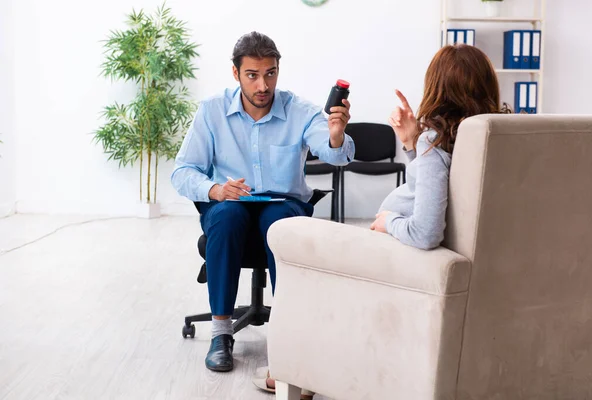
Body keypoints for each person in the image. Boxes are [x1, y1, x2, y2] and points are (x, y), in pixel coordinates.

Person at [171, 31, 355, 373]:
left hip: (283, 205)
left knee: (278, 221)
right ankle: (221, 333)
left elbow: (337, 154)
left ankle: (291, 337)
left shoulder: (300, 110)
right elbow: (182, 172)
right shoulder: (211, 111)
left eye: (270, 73)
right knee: (226, 215)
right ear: (235, 73)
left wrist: (335, 134)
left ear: (277, 70)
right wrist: (215, 190)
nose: (262, 86)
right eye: (252, 75)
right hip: (230, 205)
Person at [370, 44, 509, 248]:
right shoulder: (496, 135)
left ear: (436, 89)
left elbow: (425, 234)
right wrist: (411, 142)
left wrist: (388, 221)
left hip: (407, 249)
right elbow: (443, 180)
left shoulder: (436, 140)